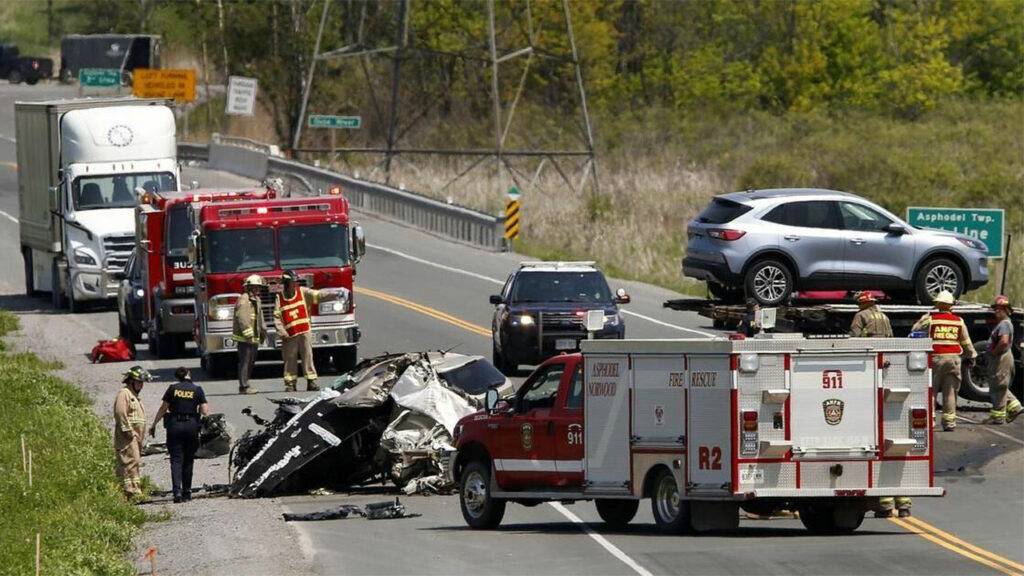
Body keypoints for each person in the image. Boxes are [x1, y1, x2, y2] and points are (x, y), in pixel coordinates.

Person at [911, 290, 976, 432]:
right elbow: (966, 342)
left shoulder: (932, 319)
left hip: (936, 358)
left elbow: (914, 329)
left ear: (938, 304)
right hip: (954, 360)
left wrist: (926, 316)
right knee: (951, 392)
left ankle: (931, 420)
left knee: (932, 390)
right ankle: (949, 422)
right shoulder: (959, 321)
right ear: (951, 305)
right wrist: (971, 356)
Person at [149, 367, 209, 502]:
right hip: (191, 426)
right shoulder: (197, 389)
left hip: (174, 426)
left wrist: (154, 424)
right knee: (188, 460)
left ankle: (177, 492)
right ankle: (187, 492)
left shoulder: (172, 388)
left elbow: (163, 408)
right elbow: (205, 410)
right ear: (188, 374)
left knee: (176, 460)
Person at [273, 270, 340, 392]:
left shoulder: (302, 292)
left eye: (293, 282)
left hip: (304, 332)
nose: (292, 285)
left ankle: (311, 382)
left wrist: (334, 294)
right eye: (290, 282)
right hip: (289, 335)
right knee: (290, 359)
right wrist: (282, 332)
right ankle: (290, 384)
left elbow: (318, 295)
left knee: (308, 356)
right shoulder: (279, 298)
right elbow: (277, 317)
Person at [113, 366, 151, 499]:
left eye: (142, 383)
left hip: (135, 437)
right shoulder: (124, 393)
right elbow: (120, 412)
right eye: (138, 382)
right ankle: (130, 491)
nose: (141, 385)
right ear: (131, 381)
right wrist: (128, 431)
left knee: (135, 462)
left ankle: (135, 490)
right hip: (128, 437)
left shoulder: (133, 396)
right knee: (129, 462)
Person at [986, 295, 1021, 424]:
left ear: (1007, 310)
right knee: (999, 385)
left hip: (1001, 358)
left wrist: (994, 352)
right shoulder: (1002, 323)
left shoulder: (1005, 324)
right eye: (995, 308)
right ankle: (1015, 406)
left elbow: (1004, 341)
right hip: (1001, 358)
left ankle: (998, 417)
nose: (996, 311)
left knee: (999, 387)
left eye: (1000, 309)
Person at [234, 274, 267, 394]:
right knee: (245, 362)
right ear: (249, 287)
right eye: (255, 287)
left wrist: (263, 331)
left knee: (251, 361)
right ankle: (244, 387)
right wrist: (248, 335)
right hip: (245, 338)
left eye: (259, 287)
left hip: (253, 338)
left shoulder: (256, 300)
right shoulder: (244, 299)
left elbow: (260, 318)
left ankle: (247, 383)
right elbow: (242, 318)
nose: (258, 289)